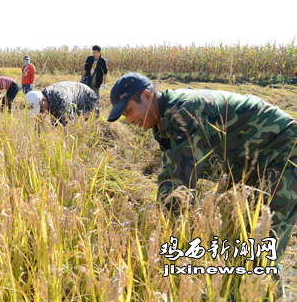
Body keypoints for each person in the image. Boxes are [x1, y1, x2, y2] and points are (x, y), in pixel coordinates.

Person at [107, 72, 297, 299]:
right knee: (234, 235)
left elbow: (178, 193)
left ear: (147, 96)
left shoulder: (182, 114)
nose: (129, 120)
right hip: (249, 164)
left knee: (258, 247)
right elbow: (172, 174)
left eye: (128, 111)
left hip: (284, 153)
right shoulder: (164, 119)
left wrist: (139, 223)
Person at [25, 81, 97, 126]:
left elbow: (68, 126)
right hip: (70, 95)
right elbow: (39, 119)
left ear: (44, 100)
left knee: (85, 124)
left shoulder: (62, 101)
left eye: (40, 110)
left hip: (86, 96)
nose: (41, 113)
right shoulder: (42, 99)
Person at [80, 45, 108, 112]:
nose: (94, 54)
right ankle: (86, 112)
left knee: (96, 98)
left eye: (96, 52)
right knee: (85, 96)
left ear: (99, 52)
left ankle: (96, 113)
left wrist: (105, 83)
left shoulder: (102, 61)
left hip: (96, 82)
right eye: (93, 52)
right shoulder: (89, 59)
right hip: (87, 81)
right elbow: (85, 69)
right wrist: (81, 78)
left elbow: (105, 73)